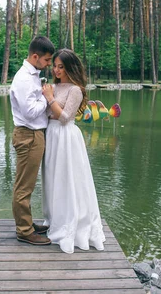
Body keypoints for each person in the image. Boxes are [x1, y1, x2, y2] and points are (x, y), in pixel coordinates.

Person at [41, 49, 106, 254]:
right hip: (50, 135)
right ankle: (54, 218)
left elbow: (66, 117)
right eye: (55, 65)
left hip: (66, 137)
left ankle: (72, 223)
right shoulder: (53, 86)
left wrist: (50, 98)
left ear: (70, 67)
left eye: (61, 66)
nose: (56, 70)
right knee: (52, 179)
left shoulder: (75, 90)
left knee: (68, 179)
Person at [9, 36, 55, 245]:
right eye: (46, 60)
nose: (48, 65)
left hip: (33, 135)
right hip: (28, 135)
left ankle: (27, 222)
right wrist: (46, 99)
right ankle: (24, 230)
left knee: (28, 183)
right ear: (35, 56)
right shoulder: (24, 79)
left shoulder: (33, 76)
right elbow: (29, 113)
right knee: (24, 186)